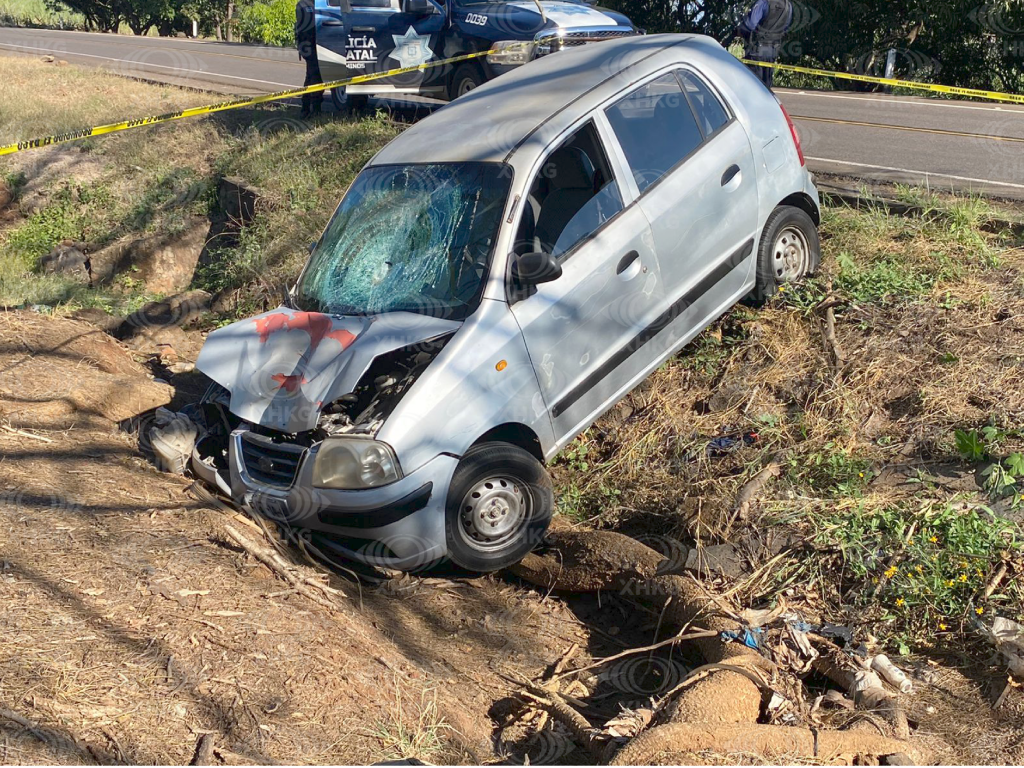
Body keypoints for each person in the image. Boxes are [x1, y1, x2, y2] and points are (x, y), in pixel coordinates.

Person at [731, 0, 793, 90]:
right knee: (766, 90)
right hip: (772, 51)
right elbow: (785, 28)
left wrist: (739, 29)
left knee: (752, 88)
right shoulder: (788, 6)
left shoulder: (763, 2)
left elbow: (750, 25)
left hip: (756, 51)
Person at [296, 0, 323, 118]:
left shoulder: (319, 4)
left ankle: (305, 108)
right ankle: (315, 108)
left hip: (319, 44)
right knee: (315, 76)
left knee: (310, 77)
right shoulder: (303, 5)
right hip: (309, 46)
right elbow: (303, 28)